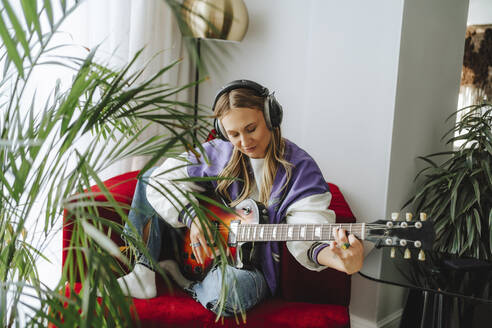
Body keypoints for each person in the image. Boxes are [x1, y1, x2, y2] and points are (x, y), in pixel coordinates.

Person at [116, 79, 364, 316]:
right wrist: (193, 218)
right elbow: (161, 179)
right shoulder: (218, 152)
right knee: (149, 176)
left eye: (251, 129)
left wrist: (341, 261)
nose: (244, 142)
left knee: (228, 292)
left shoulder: (300, 169)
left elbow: (308, 233)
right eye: (233, 134)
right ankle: (143, 273)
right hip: (212, 251)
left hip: (250, 270)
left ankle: (184, 281)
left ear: (270, 117)